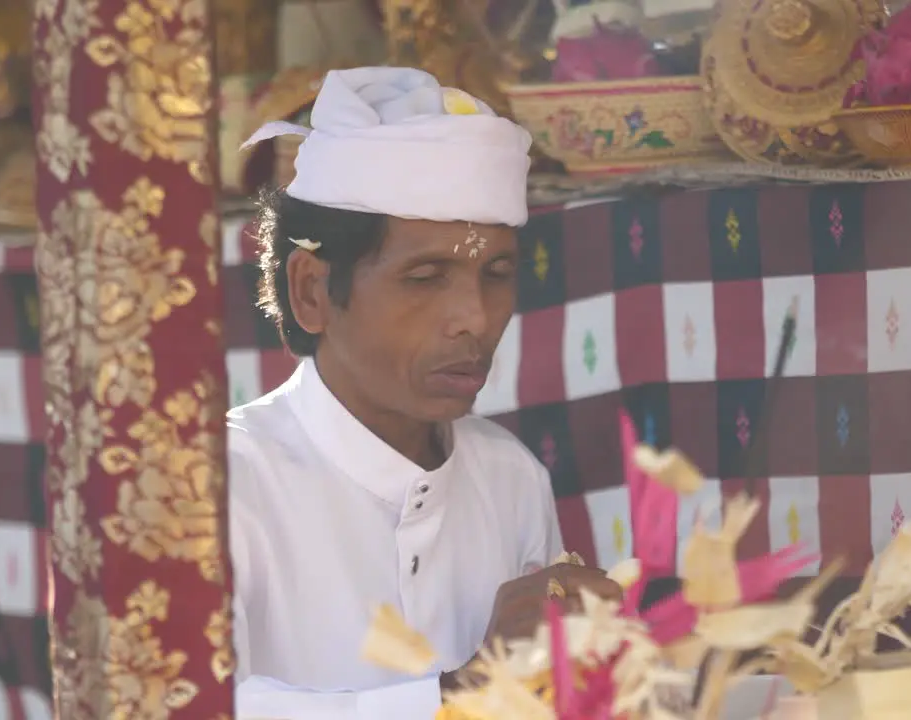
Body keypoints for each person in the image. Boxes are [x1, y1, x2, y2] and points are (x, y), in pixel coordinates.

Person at [229, 66, 621, 719]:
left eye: (496, 274)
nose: (473, 316)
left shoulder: (509, 477)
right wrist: (466, 694)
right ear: (313, 291)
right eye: (426, 276)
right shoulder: (227, 484)